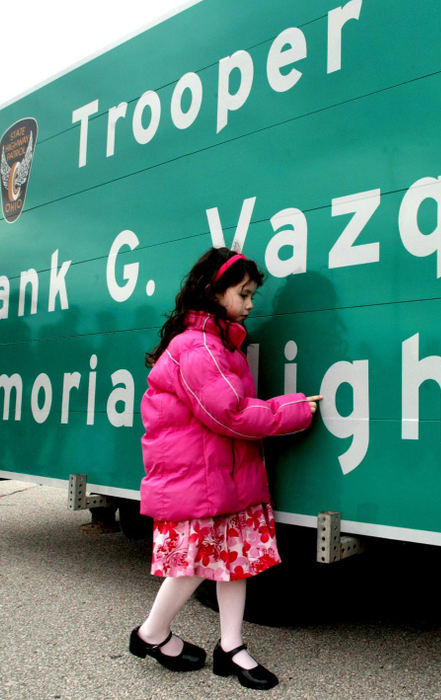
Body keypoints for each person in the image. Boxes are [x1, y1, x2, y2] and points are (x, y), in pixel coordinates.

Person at [128, 247, 321, 691]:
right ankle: (151, 634)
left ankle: (230, 647)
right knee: (193, 565)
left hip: (224, 478)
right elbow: (229, 414)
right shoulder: (197, 348)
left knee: (235, 562)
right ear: (214, 293)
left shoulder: (216, 345)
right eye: (244, 293)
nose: (252, 303)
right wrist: (293, 409)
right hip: (200, 482)